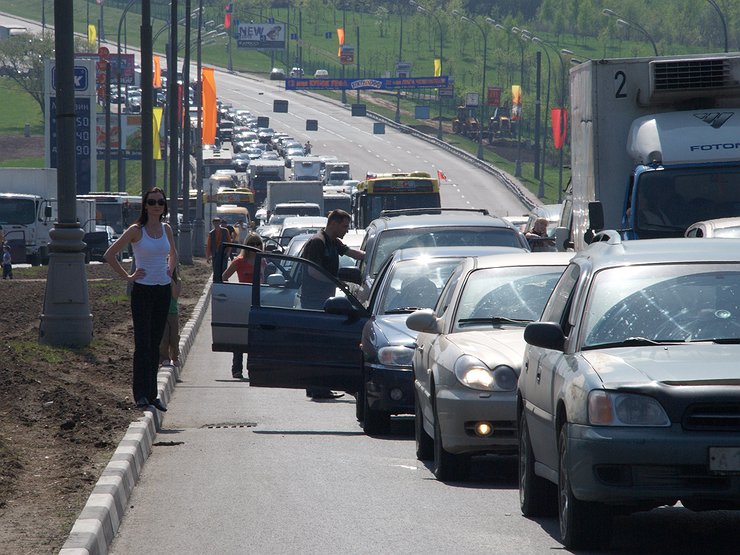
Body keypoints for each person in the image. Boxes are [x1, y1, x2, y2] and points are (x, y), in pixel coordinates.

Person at [104, 187, 177, 412]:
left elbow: (173, 254)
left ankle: (153, 395)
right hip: (143, 291)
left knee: (155, 345)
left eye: (161, 202)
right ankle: (141, 395)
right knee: (143, 344)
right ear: (145, 205)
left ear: (164, 207)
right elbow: (110, 254)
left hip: (162, 290)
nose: (157, 205)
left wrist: (169, 271)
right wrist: (128, 276)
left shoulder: (166, 229)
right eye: (152, 202)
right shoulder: (137, 230)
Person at [300, 209, 364, 399]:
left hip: (324, 300)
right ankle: (318, 388)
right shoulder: (317, 242)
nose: (346, 230)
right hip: (313, 300)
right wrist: (337, 282)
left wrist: (377, 255)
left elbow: (352, 253)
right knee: (318, 345)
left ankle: (316, 386)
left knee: (320, 344)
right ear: (334, 224)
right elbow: (313, 272)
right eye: (344, 226)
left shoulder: (332, 241)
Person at [222, 233, 267, 379]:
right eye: (252, 244)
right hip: (242, 300)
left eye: (258, 244)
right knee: (240, 336)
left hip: (258, 301)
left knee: (256, 336)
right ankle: (237, 369)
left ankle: (253, 368)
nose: (255, 246)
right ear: (246, 245)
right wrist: (231, 292)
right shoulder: (239, 261)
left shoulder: (262, 261)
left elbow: (264, 281)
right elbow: (223, 277)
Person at [159, 265, 182, 369]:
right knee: (164, 337)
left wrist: (171, 281)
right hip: (161, 312)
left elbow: (175, 296)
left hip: (172, 313)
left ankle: (175, 356)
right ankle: (164, 358)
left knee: (174, 337)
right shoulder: (159, 280)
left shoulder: (177, 281)